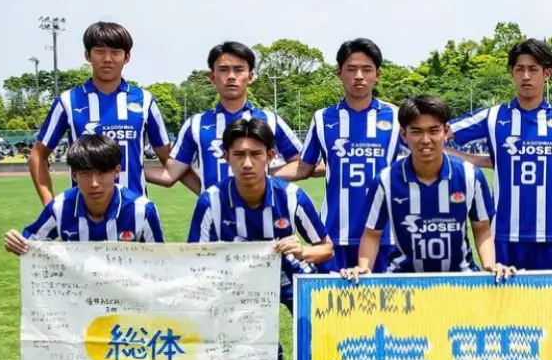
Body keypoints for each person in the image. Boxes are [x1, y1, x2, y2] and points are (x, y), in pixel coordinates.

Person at [3, 134, 178, 360]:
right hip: (75, 309)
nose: (94, 183)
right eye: (84, 174)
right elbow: (31, 243)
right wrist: (16, 242)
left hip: (130, 307)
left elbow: (160, 261)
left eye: (102, 173)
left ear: (117, 170)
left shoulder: (141, 210)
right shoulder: (60, 207)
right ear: (74, 176)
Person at [179, 118, 334, 360]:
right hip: (239, 287)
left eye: (255, 154)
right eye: (239, 155)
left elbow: (326, 249)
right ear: (226, 158)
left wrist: (303, 251)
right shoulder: (212, 200)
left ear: (271, 156)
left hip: (291, 279)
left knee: (322, 344)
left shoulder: (291, 195)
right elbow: (194, 258)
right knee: (219, 352)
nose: (247, 163)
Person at [449, 38, 552, 272]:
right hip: (503, 235)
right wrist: (473, 160)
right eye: (520, 69)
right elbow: (437, 132)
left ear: (547, 73)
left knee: (550, 306)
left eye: (533, 69)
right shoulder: (493, 116)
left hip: (551, 235)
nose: (526, 76)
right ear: (512, 74)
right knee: (505, 307)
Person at [341, 95, 513, 282]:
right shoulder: (385, 180)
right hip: (402, 282)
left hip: (461, 280)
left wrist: (490, 264)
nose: (425, 140)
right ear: (403, 134)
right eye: (416, 131)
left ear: (445, 132)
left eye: (433, 131)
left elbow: (481, 228)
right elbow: (372, 234)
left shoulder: (470, 175)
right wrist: (363, 267)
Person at [274, 38, 402, 272]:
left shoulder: (397, 117)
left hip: (385, 234)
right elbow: (304, 168)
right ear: (339, 74)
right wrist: (263, 175)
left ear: (378, 74)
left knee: (383, 307)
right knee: (335, 307)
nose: (359, 76)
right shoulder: (322, 119)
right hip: (335, 234)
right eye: (351, 69)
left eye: (367, 69)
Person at [29, 21, 173, 204]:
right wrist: (51, 206)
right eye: (99, 51)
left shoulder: (144, 101)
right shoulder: (67, 101)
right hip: (82, 218)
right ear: (87, 55)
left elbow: (171, 162)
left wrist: (136, 170)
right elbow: (38, 154)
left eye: (115, 52)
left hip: (135, 215)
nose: (107, 59)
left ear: (127, 57)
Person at [145, 41, 303, 194]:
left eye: (239, 69)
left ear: (251, 76)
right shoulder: (196, 124)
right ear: (212, 77)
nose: (231, 76)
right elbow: (170, 174)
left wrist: (263, 176)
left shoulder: (270, 121)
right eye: (224, 69)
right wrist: (125, 169)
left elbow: (302, 164)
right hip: (214, 218)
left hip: (261, 217)